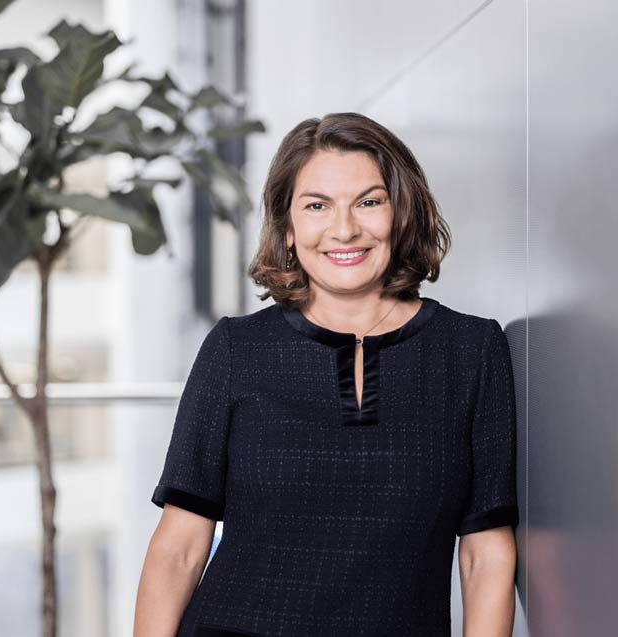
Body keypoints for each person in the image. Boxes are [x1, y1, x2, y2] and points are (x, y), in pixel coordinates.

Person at [134, 112, 519, 636]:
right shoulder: (235, 350)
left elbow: (485, 553)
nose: (344, 229)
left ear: (402, 212)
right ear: (288, 228)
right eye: (317, 206)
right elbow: (178, 548)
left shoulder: (472, 351)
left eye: (369, 202)